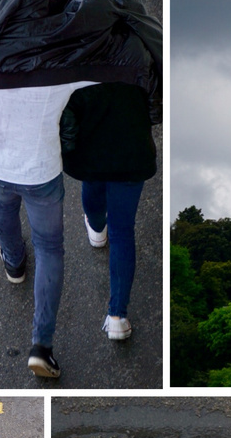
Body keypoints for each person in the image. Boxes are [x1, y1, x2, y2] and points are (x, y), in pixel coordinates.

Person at [0, 0, 161, 381]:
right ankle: (41, 345)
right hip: (41, 171)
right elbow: (114, 55)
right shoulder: (65, 57)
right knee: (51, 248)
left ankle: (14, 262)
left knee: (1, 205)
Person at [60, 80, 158, 341]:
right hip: (132, 153)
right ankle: (117, 317)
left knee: (92, 187)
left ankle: (96, 228)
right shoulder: (140, 48)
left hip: (91, 153)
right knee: (123, 231)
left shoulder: (78, 55)